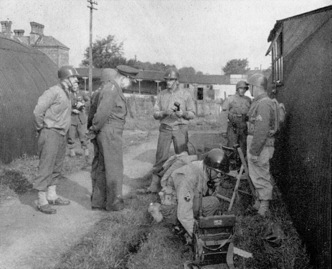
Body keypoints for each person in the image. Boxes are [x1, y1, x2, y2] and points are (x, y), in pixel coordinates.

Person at [89, 65, 139, 211]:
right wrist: (95, 127)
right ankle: (114, 204)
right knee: (114, 168)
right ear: (124, 78)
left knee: (102, 168)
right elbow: (102, 112)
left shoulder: (111, 88)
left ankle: (99, 201)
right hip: (110, 132)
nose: (130, 84)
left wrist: (95, 128)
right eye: (130, 80)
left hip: (106, 131)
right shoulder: (112, 89)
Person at [149, 148, 230, 238]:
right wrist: (198, 236)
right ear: (208, 168)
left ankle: (198, 224)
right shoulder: (188, 177)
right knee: (210, 203)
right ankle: (184, 227)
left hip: (187, 201)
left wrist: (213, 187)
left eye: (221, 174)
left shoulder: (206, 171)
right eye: (217, 172)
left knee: (213, 202)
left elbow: (204, 194)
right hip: (175, 208)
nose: (219, 176)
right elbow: (183, 213)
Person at [33, 65, 79, 214]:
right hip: (50, 132)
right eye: (73, 78)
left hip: (61, 134)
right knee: (46, 166)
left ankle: (52, 195)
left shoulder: (67, 93)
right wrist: (42, 127)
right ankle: (41, 201)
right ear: (65, 79)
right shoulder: (53, 91)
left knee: (56, 167)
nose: (75, 80)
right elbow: (38, 111)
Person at [144, 67, 195, 193]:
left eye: (171, 80)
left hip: (180, 128)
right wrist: (163, 112)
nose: (168, 82)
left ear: (177, 81)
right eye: (167, 80)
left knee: (183, 157)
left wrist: (182, 113)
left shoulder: (186, 94)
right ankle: (155, 185)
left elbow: (192, 114)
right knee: (161, 157)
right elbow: (155, 113)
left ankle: (184, 184)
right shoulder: (161, 94)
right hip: (165, 128)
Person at [246, 73, 276, 217]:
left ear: (255, 87)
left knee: (261, 173)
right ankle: (259, 201)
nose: (249, 90)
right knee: (256, 173)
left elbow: (261, 130)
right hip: (257, 143)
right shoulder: (259, 101)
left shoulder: (264, 103)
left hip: (260, 144)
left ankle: (264, 206)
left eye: (250, 87)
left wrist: (254, 151)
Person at [222, 80, 251, 156]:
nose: (243, 90)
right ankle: (231, 164)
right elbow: (224, 114)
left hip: (243, 126)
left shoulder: (248, 100)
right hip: (233, 126)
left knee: (243, 147)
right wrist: (223, 129)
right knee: (232, 146)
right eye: (241, 88)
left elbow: (251, 113)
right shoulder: (230, 99)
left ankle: (241, 165)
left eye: (245, 89)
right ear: (237, 89)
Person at [67, 82, 90, 157]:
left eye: (76, 85)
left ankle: (85, 149)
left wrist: (83, 104)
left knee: (83, 135)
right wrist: (72, 110)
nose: (74, 86)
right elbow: (65, 105)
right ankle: (72, 151)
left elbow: (89, 101)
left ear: (78, 86)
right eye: (73, 85)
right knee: (71, 135)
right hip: (72, 118)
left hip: (81, 118)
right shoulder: (68, 94)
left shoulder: (82, 93)